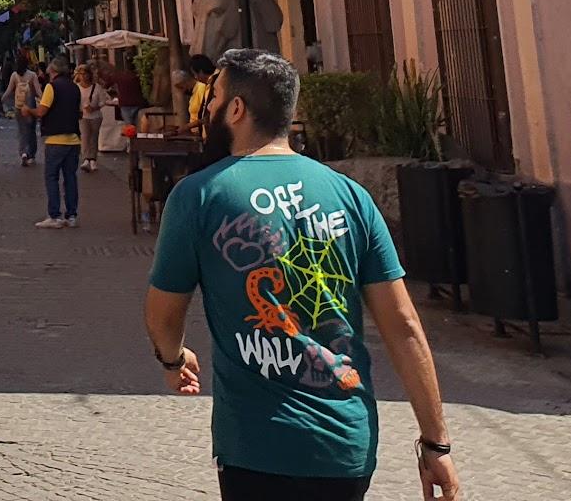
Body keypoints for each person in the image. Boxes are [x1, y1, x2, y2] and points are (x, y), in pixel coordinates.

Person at [145, 49, 461, 501]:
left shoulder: (199, 196)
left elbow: (163, 313)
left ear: (236, 109)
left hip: (257, 447)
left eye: (213, 98)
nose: (206, 109)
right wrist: (437, 445)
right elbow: (404, 326)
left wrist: (173, 359)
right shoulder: (350, 195)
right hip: (345, 447)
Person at [34, 62, 84, 229]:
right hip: (74, 139)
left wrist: (29, 110)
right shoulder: (75, 87)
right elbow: (80, 111)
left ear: (53, 71)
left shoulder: (51, 87)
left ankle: (55, 215)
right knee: (70, 178)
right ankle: (71, 215)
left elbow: (42, 111)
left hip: (55, 140)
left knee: (52, 177)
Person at [10, 56, 43, 166]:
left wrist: (0, 101)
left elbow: (9, 90)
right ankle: (31, 155)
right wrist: (45, 102)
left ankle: (23, 152)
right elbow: (38, 91)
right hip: (30, 107)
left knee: (21, 131)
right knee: (31, 131)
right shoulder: (32, 75)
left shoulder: (14, 75)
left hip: (18, 106)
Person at [80, 63, 112, 174]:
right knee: (85, 137)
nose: (84, 77)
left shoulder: (97, 87)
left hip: (96, 116)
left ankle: (92, 159)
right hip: (83, 116)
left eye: (85, 74)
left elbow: (103, 101)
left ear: (90, 75)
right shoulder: (77, 87)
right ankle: (85, 159)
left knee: (94, 137)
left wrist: (94, 108)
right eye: (81, 74)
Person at [111, 56, 146, 125]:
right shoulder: (137, 76)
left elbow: (109, 83)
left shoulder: (120, 76)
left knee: (129, 126)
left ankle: (131, 134)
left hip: (125, 104)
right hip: (137, 103)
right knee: (137, 125)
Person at [187, 54, 217, 133]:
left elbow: (211, 114)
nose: (196, 77)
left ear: (201, 71)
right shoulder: (208, 84)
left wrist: (188, 126)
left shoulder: (217, 82)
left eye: (195, 74)